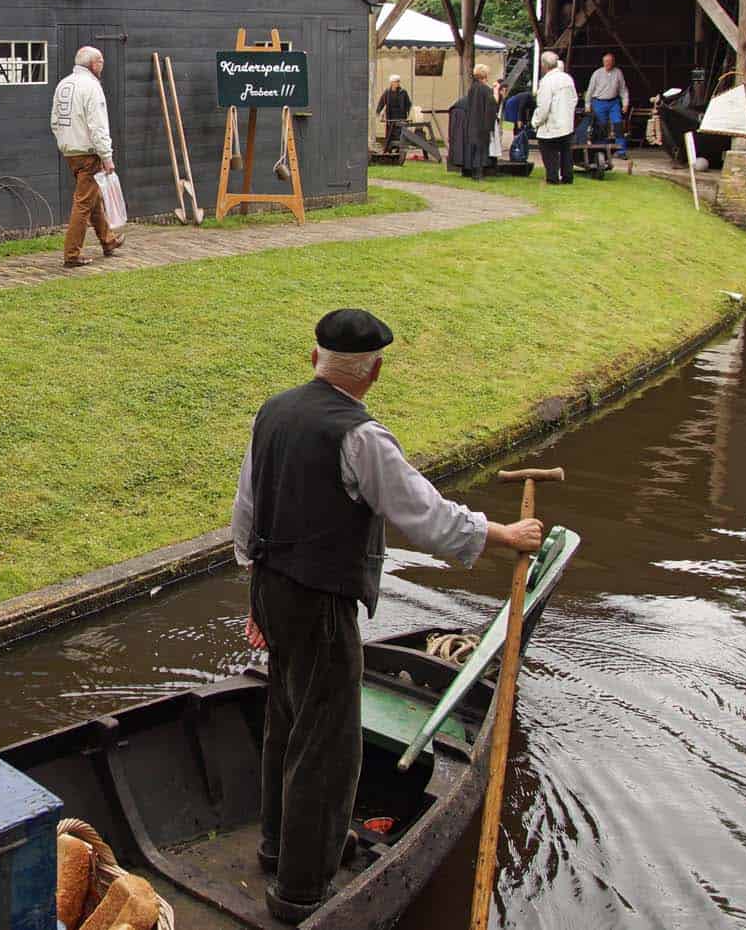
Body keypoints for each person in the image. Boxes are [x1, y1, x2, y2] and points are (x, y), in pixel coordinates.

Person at [232, 310, 546, 925]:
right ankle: (300, 891)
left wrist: (257, 595)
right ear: (374, 372)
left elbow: (249, 509)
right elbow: (423, 514)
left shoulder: (273, 412)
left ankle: (281, 848)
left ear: (311, 358)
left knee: (286, 718)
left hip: (272, 587)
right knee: (327, 742)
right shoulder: (361, 436)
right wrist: (504, 533)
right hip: (320, 602)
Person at [49, 45, 122, 268]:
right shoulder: (92, 87)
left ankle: (108, 241)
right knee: (83, 203)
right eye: (101, 61)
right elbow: (98, 126)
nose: (103, 65)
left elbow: (55, 120)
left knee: (93, 198)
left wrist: (64, 143)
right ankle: (72, 255)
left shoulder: (64, 84)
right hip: (88, 153)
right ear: (94, 64)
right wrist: (107, 157)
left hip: (70, 150)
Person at [532, 50, 578, 185]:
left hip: (552, 124)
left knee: (548, 150)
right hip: (567, 123)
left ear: (544, 65)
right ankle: (567, 177)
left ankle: (552, 178)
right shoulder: (567, 78)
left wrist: (536, 121)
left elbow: (544, 106)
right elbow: (574, 99)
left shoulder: (547, 81)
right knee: (566, 151)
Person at [453, 64, 498, 179]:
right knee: (481, 149)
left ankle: (472, 171)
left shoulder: (472, 88)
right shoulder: (486, 90)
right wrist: (496, 92)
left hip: (472, 122)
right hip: (482, 123)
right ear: (485, 75)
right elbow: (492, 105)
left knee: (473, 148)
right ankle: (479, 173)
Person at [586, 53, 630, 157]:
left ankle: (621, 151)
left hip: (614, 102)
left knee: (618, 125)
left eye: (610, 61)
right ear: (603, 62)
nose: (608, 63)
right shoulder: (597, 73)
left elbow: (623, 89)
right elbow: (590, 90)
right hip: (599, 102)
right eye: (606, 61)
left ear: (613, 62)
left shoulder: (618, 73)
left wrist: (625, 103)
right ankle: (601, 151)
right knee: (601, 127)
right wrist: (587, 105)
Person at [375, 74, 411, 154]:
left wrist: (410, 114)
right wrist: (378, 111)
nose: (397, 83)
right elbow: (382, 102)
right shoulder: (387, 92)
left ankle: (399, 149)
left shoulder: (403, 92)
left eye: (398, 82)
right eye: (396, 82)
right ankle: (389, 149)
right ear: (391, 83)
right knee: (390, 132)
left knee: (400, 132)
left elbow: (408, 104)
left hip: (401, 115)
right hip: (391, 116)